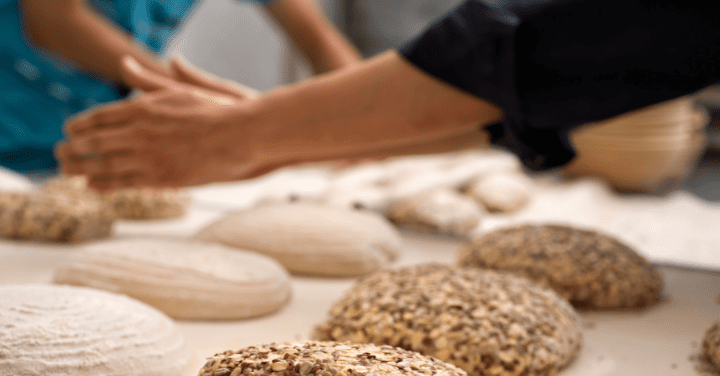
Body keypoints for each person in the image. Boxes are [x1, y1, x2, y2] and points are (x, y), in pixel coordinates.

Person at [56, 0, 720, 190]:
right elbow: (536, 73)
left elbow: (541, 49)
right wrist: (272, 137)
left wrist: (255, 131)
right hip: (46, 100)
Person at [0, 0, 361, 175]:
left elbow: (320, 41)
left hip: (86, 139)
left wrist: (359, 123)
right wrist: (210, 108)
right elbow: (55, 24)